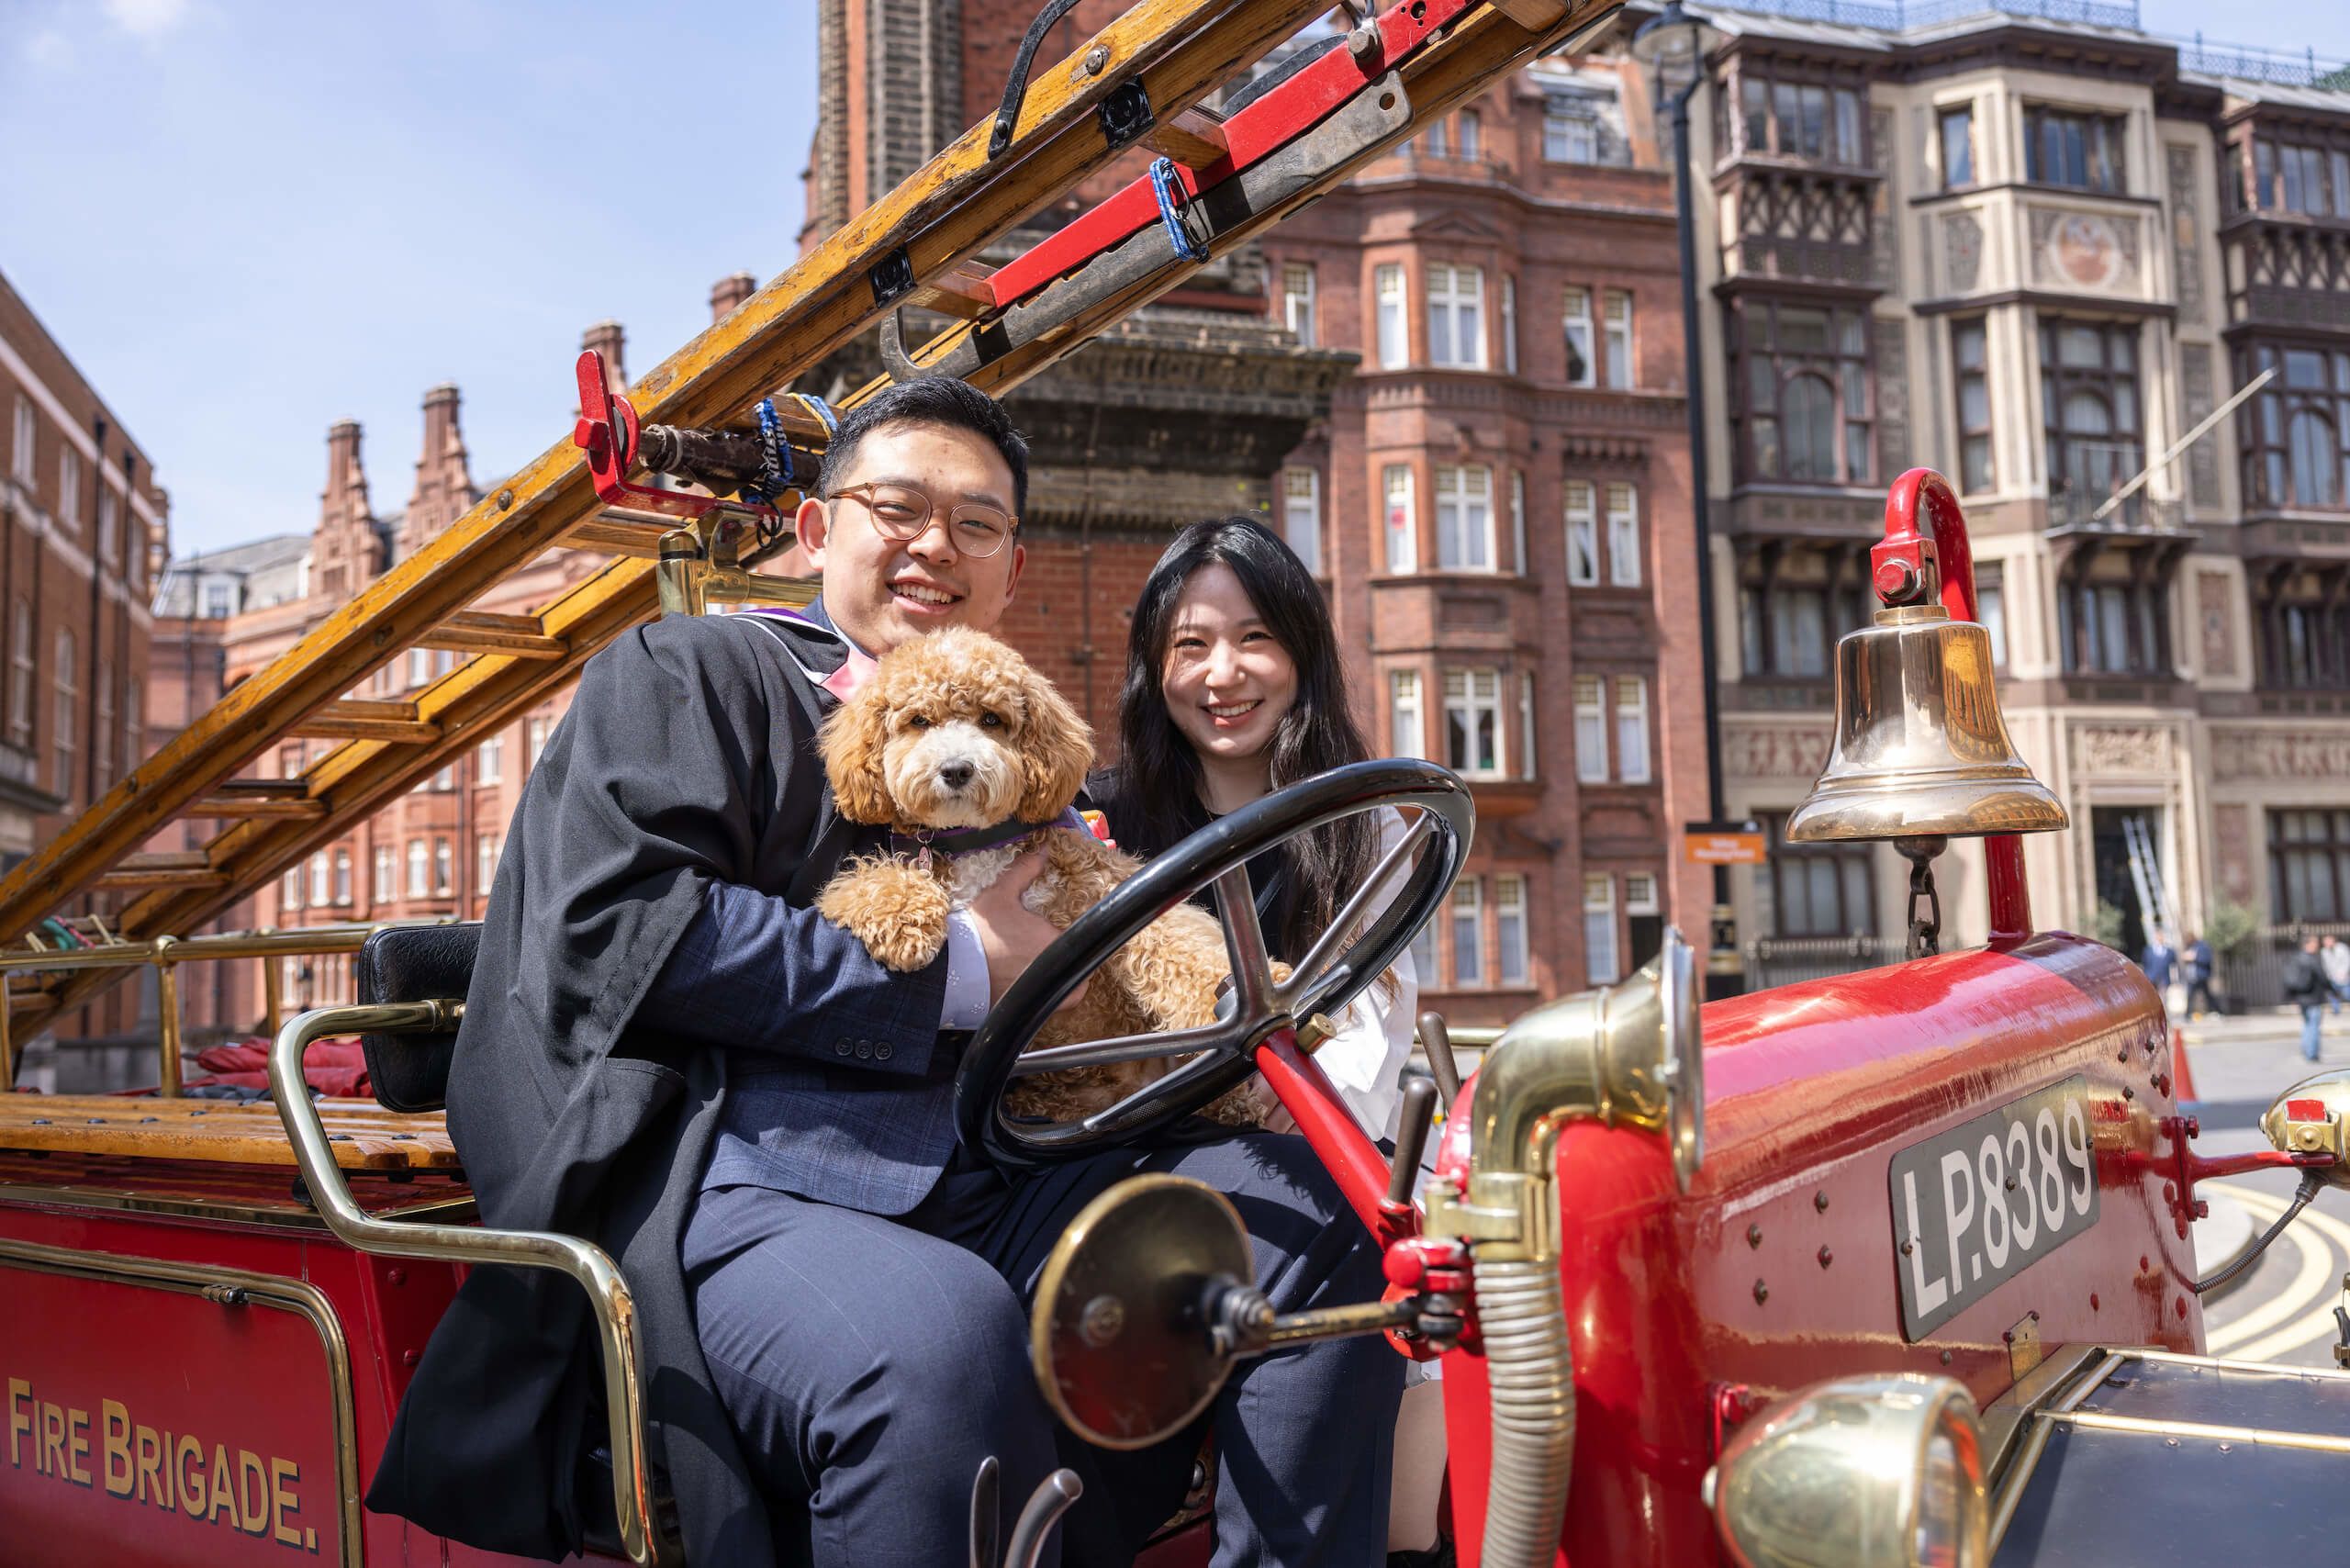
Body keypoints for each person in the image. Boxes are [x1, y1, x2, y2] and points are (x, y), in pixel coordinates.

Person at [367, 380, 1401, 1568]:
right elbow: (617, 924)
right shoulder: (691, 674)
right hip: (738, 1180)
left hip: (1001, 1168)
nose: (935, 546)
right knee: (941, 1339)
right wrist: (963, 969)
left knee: (1313, 1209)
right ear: (816, 532)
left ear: (1011, 569)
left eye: (977, 524)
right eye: (898, 507)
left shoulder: (1021, 754)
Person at [1088, 515, 1417, 1138]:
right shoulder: (1098, 822)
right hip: (1130, 1151)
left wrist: (1299, 1101)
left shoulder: (1362, 828)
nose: (1222, 673)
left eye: (1255, 637)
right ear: (1153, 668)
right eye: (1191, 645)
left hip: (1304, 1137)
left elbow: (1368, 1036)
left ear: (1301, 654)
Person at [2286, 934, 2331, 1063]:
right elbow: (2323, 978)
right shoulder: (2312, 959)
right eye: (2315, 942)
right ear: (2309, 944)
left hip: (2301, 998)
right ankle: (2312, 1053)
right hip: (2313, 997)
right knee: (2314, 1025)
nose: (2317, 945)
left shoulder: (2295, 958)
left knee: (2307, 1024)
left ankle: (2306, 1050)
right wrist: (2332, 990)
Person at [2181, 929, 2217, 1019]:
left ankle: (2216, 1011)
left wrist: (2194, 957)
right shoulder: (2189, 947)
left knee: (2207, 995)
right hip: (2192, 976)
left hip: (2201, 976)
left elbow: (2207, 959)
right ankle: (2188, 1014)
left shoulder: (2203, 946)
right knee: (2190, 995)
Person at [2140, 928, 2177, 995]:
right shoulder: (2148, 951)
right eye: (2158, 936)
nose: (2160, 938)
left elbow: (2173, 966)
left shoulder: (2169, 951)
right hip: (2151, 979)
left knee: (2163, 999)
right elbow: (2144, 964)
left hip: (2164, 979)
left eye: (2161, 936)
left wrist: (2175, 979)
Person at [2323, 932, 2350, 1014]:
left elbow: (2347, 961)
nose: (2326, 943)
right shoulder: (2324, 951)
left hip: (2343, 977)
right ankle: (2336, 1010)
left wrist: (2343, 972)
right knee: (2332, 996)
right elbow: (2325, 965)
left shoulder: (2342, 948)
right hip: (2331, 977)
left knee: (2347, 994)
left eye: (2328, 941)